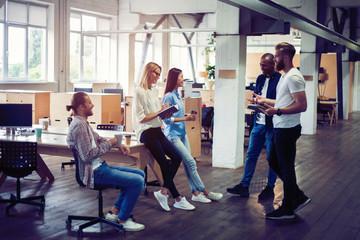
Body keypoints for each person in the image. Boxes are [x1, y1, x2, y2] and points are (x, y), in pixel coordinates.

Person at [66, 92, 145, 231]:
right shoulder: (79, 126)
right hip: (93, 173)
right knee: (137, 181)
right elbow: (88, 155)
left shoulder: (82, 123)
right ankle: (123, 220)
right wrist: (109, 143)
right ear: (81, 107)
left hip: (99, 168)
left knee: (140, 174)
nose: (93, 105)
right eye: (89, 102)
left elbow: (98, 138)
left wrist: (116, 143)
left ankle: (114, 212)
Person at [253, 42, 311, 219]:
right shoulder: (285, 76)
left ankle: (288, 207)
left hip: (287, 128)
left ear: (285, 57)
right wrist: (265, 101)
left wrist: (277, 111)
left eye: (276, 56)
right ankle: (297, 196)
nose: (275, 59)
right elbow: (283, 101)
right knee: (274, 160)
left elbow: (302, 105)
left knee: (286, 167)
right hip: (280, 126)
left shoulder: (294, 76)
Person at [132, 62, 195, 211]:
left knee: (177, 157)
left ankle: (164, 192)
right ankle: (177, 198)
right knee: (164, 163)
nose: (158, 77)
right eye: (156, 73)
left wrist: (164, 111)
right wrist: (159, 113)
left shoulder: (154, 90)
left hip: (156, 128)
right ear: (148, 72)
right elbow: (141, 118)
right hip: (145, 131)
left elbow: (156, 114)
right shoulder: (139, 91)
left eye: (160, 74)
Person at [162, 68, 223, 203]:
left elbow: (175, 114)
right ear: (175, 79)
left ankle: (195, 193)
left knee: (188, 164)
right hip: (173, 135)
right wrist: (185, 119)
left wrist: (187, 116)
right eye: (181, 77)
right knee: (190, 162)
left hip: (182, 134)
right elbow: (166, 120)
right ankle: (205, 191)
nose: (183, 79)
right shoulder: (168, 96)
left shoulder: (177, 95)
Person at [227, 53, 280, 200]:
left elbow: (281, 101)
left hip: (272, 124)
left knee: (272, 158)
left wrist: (265, 102)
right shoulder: (260, 78)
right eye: (261, 64)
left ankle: (270, 187)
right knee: (251, 155)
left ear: (273, 64)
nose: (262, 67)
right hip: (258, 123)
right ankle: (244, 186)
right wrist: (256, 101)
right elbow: (259, 97)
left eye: (265, 65)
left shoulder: (281, 79)